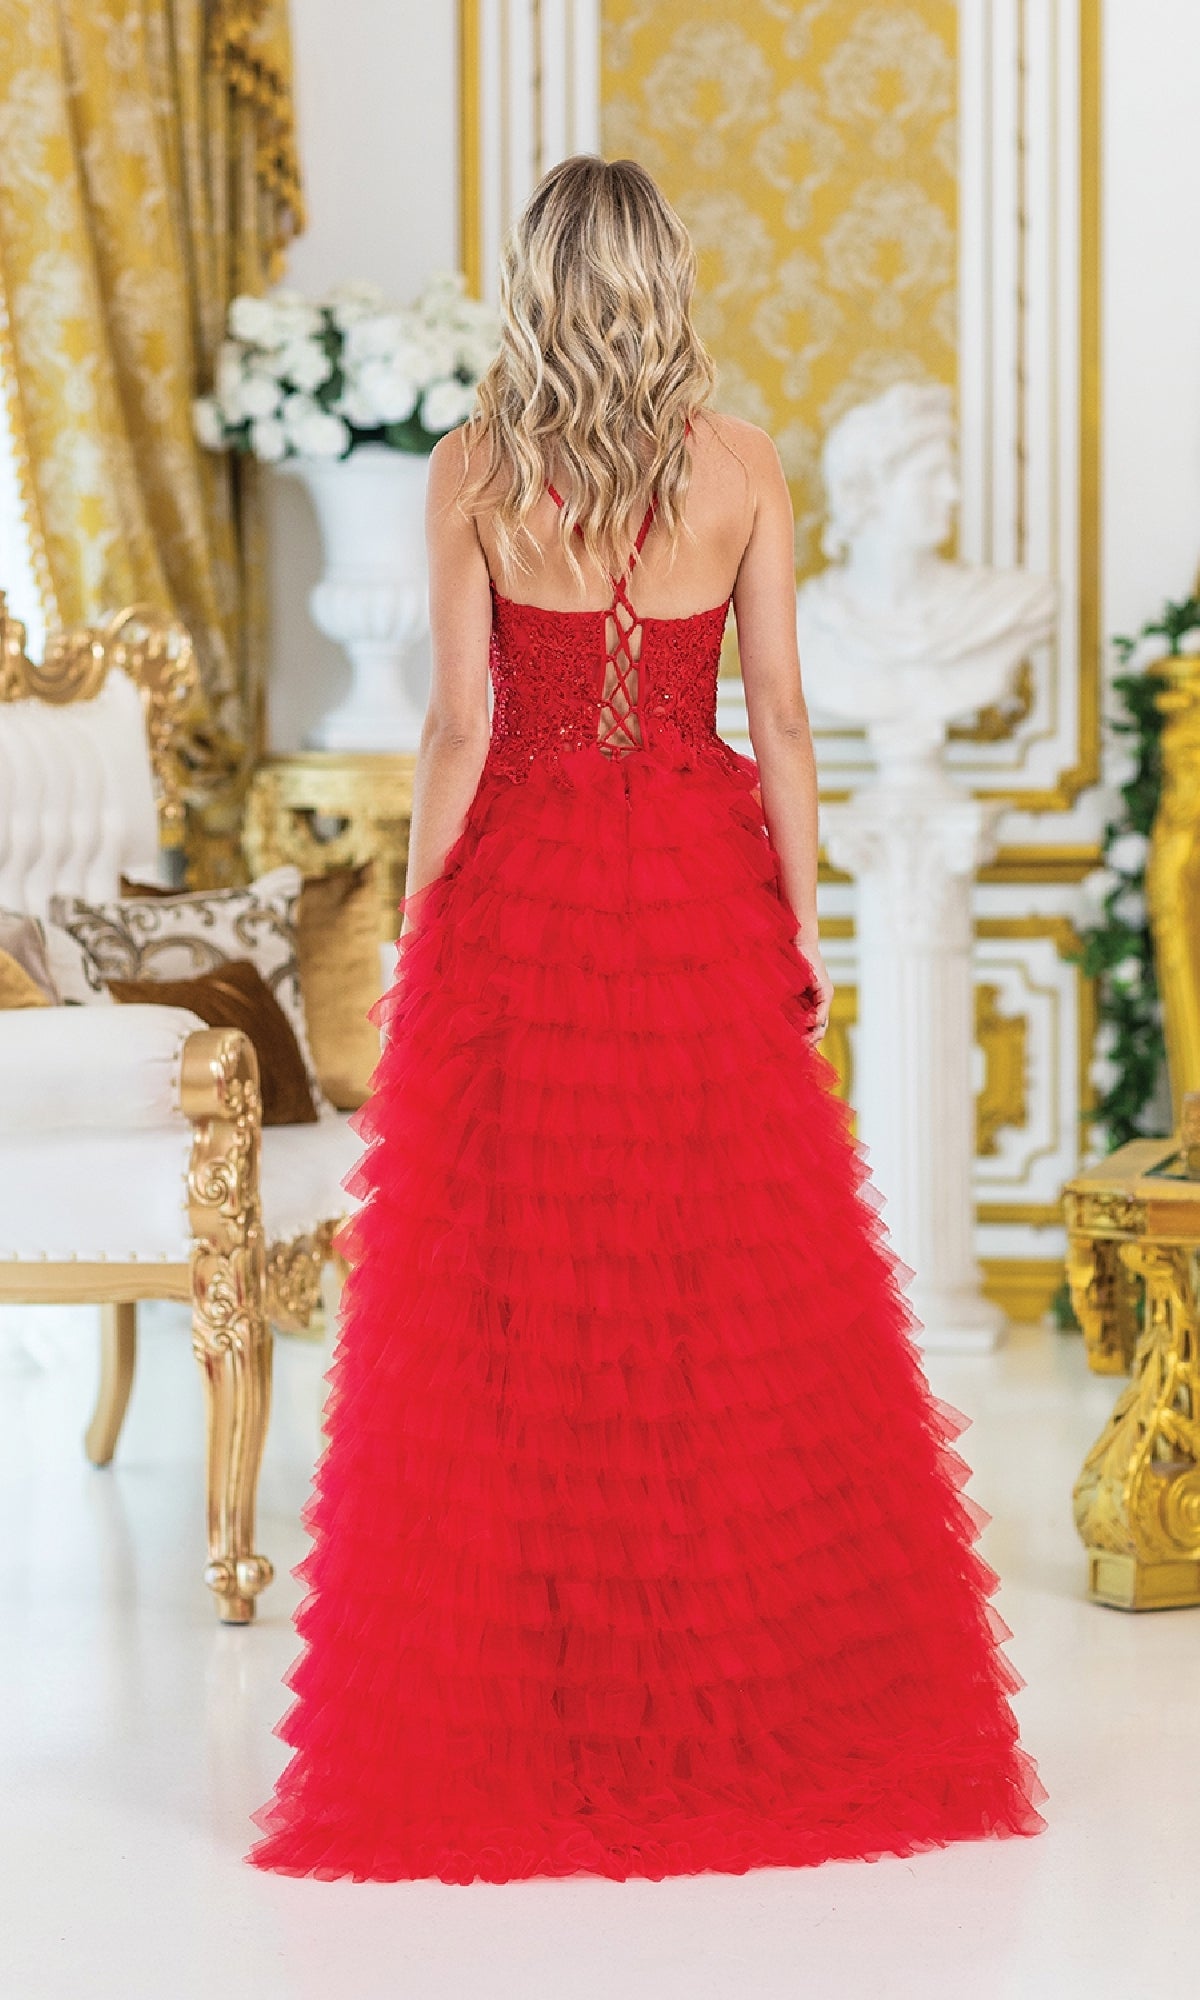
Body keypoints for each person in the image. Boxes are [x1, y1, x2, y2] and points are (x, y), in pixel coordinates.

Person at [247, 155, 1045, 1885]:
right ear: (665, 277)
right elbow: (779, 709)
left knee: (520, 1300)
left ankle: (541, 1703)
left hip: (525, 888)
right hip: (696, 872)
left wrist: (414, 920)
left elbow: (458, 727)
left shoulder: (475, 468)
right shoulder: (742, 464)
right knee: (722, 1297)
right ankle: (716, 1679)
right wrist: (808, 916)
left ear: (537, 282)